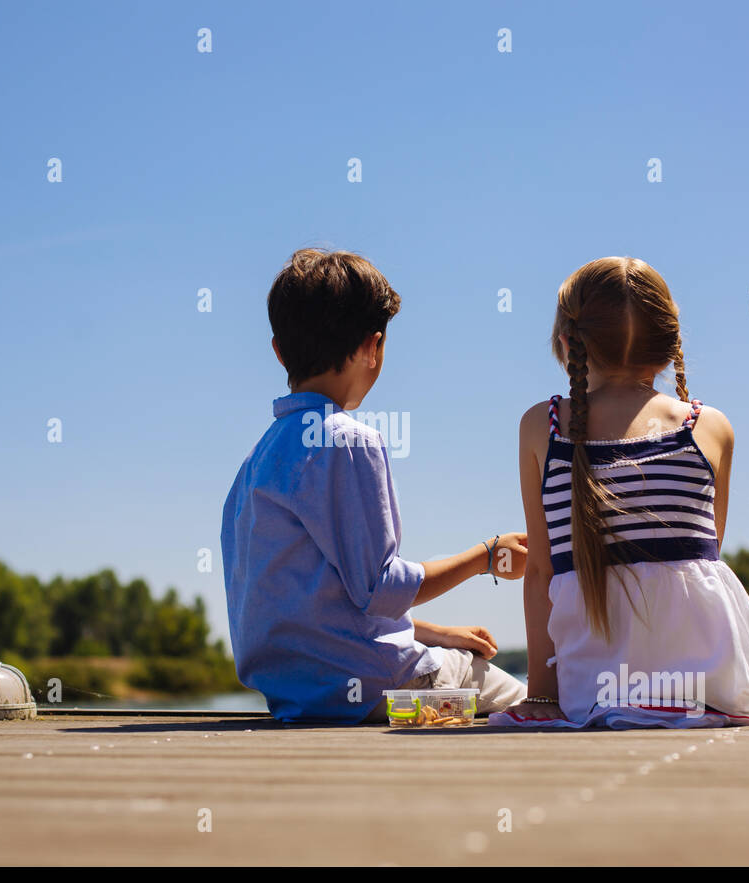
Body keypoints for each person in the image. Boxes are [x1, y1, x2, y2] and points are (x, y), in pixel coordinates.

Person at [494, 256, 749, 729]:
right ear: (671, 345)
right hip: (714, 682)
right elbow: (706, 557)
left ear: (566, 343)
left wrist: (544, 697)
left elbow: (539, 571)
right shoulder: (710, 426)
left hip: (596, 686)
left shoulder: (541, 426)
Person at [221, 248, 529, 723]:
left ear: (279, 350)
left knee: (464, 663)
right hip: (385, 687)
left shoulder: (253, 468)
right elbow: (380, 588)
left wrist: (433, 634)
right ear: (375, 347)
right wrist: (486, 555)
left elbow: (320, 610)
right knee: (531, 703)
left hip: (300, 700)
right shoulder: (348, 441)